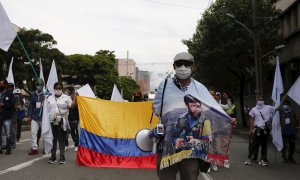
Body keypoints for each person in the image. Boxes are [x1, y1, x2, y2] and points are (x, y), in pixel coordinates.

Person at [152, 52, 226, 180]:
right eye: (179, 64)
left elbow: (214, 111)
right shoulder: (164, 86)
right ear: (174, 66)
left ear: (193, 66)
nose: (183, 67)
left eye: (187, 64)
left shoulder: (200, 88)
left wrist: (227, 120)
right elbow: (156, 108)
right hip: (167, 146)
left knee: (190, 176)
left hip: (192, 148)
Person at [47, 82, 77, 164]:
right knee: (53, 139)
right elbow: (47, 109)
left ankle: (62, 157)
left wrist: (76, 98)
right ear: (54, 89)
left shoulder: (66, 98)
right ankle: (52, 157)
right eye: (56, 88)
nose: (58, 90)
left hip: (62, 120)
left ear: (62, 89)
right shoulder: (49, 98)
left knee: (62, 139)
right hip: (52, 120)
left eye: (59, 88)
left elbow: (72, 106)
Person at [244, 95, 275, 166]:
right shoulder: (253, 109)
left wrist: (281, 101)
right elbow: (251, 120)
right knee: (254, 144)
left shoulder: (268, 107)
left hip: (265, 130)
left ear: (264, 100)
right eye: (259, 99)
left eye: (261, 99)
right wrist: (251, 130)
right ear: (257, 101)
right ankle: (248, 159)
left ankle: (263, 160)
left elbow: (276, 109)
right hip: (257, 129)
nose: (260, 100)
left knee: (264, 145)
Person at [28, 79, 48, 155]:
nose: (38, 86)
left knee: (44, 133)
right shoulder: (33, 94)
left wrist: (45, 105)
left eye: (40, 84)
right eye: (37, 84)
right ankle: (34, 148)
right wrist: (30, 115)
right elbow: (31, 106)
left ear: (43, 85)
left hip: (44, 117)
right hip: (35, 117)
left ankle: (45, 148)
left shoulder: (46, 94)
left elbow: (50, 104)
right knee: (33, 133)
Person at [0, 80, 15, 155]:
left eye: (2, 84)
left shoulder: (11, 95)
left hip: (7, 116)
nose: (1, 85)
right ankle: (1, 147)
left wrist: (4, 105)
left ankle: (9, 148)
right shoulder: (2, 94)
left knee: (8, 133)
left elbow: (11, 105)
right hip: (1, 115)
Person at [65, 86, 79, 152]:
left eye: (67, 91)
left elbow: (75, 106)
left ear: (71, 91)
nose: (66, 92)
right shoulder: (65, 98)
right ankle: (66, 145)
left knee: (74, 133)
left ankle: (76, 145)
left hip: (73, 118)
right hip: (66, 118)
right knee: (65, 133)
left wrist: (75, 97)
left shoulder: (76, 98)